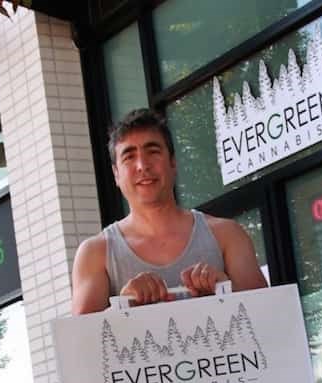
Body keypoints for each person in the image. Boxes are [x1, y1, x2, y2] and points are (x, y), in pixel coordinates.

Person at [71, 109, 267, 314]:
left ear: (173, 163)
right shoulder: (96, 254)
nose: (142, 165)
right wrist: (122, 307)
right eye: (129, 156)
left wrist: (227, 291)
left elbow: (270, 316)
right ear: (116, 175)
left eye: (153, 151)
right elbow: (80, 341)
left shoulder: (227, 235)